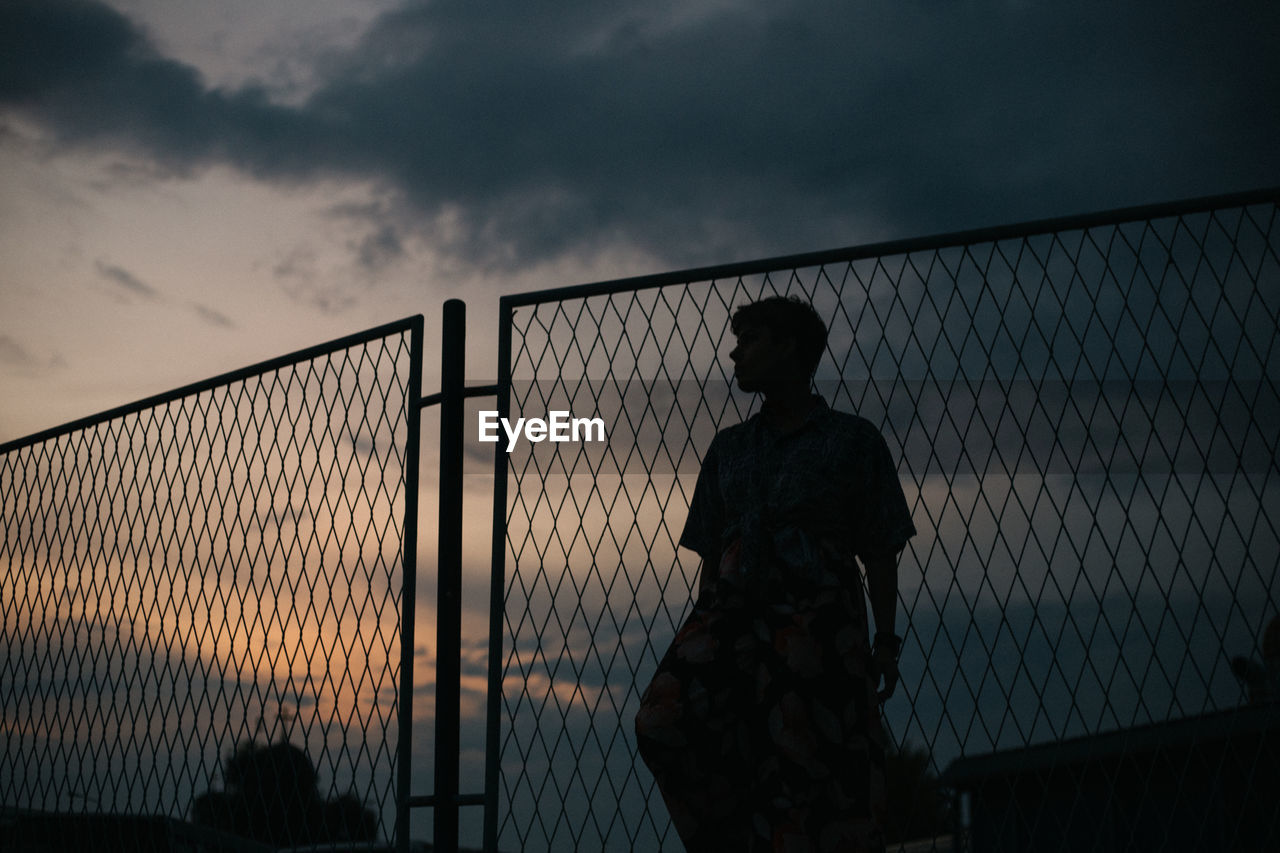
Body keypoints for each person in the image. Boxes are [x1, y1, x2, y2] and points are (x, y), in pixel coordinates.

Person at [634, 295, 916, 853]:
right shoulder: (730, 448)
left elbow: (881, 551)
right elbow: (711, 555)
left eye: (751, 340)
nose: (735, 354)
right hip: (735, 624)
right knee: (661, 720)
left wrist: (884, 641)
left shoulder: (852, 440)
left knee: (810, 771)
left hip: (819, 629)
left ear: (790, 348)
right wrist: (709, 633)